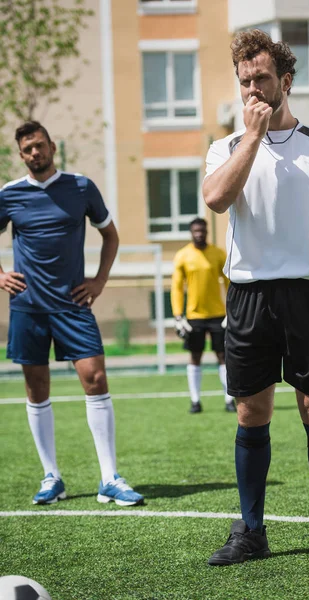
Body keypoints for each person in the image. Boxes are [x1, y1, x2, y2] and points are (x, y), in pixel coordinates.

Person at [203, 30, 309, 568]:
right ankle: (252, 531)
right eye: (244, 81)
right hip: (249, 296)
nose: (253, 88)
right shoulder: (226, 147)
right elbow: (215, 198)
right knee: (251, 413)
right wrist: (251, 140)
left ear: (286, 79)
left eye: (261, 77)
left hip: (308, 295)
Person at [0, 121, 144, 506]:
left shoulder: (81, 187)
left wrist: (98, 281)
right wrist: (1, 275)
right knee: (36, 388)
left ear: (52, 147)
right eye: (28, 148)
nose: (35, 153)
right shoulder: (9, 194)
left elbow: (110, 234)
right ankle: (52, 477)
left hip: (73, 304)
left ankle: (109, 477)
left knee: (95, 379)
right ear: (21, 154)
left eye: (40, 145)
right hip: (28, 306)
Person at [171, 217, 235, 413]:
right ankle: (195, 401)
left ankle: (229, 400)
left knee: (223, 355)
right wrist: (178, 315)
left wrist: (231, 311)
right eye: (196, 231)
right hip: (194, 316)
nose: (199, 234)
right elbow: (176, 287)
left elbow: (230, 283)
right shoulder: (183, 255)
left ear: (207, 232)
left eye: (202, 230)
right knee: (195, 356)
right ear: (191, 233)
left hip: (218, 315)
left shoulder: (218, 254)